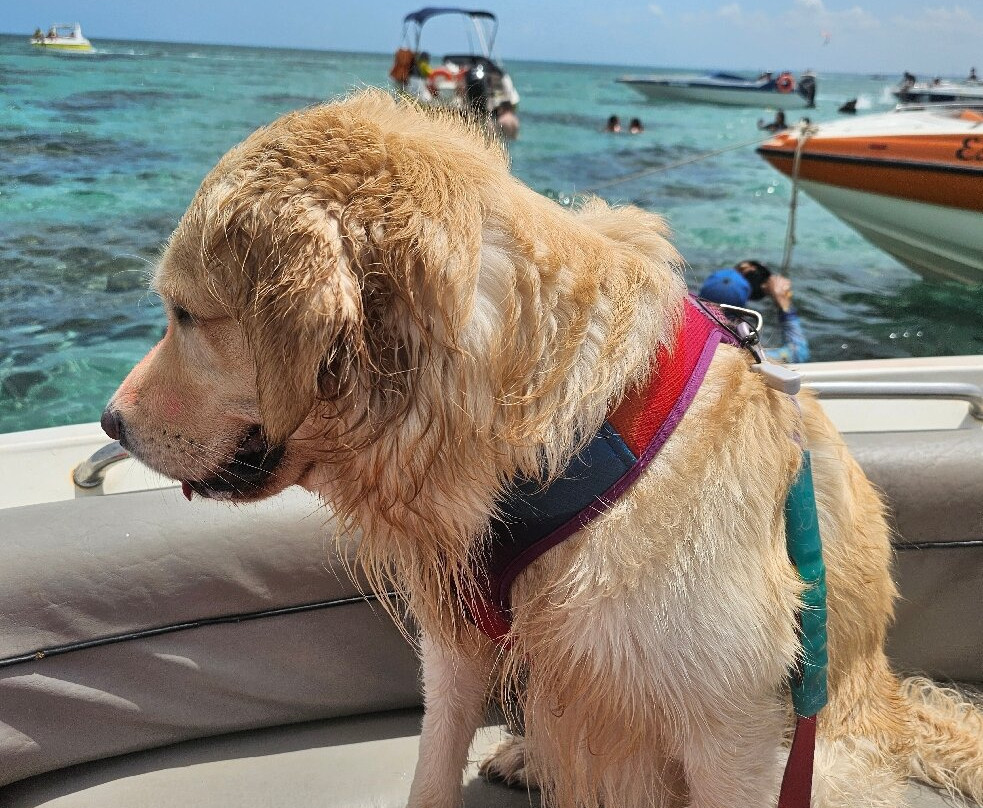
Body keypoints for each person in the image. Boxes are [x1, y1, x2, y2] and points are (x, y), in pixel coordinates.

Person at [699, 263, 810, 363]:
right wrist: (784, 305)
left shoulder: (694, 338)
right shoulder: (745, 357)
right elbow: (798, 352)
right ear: (741, 312)